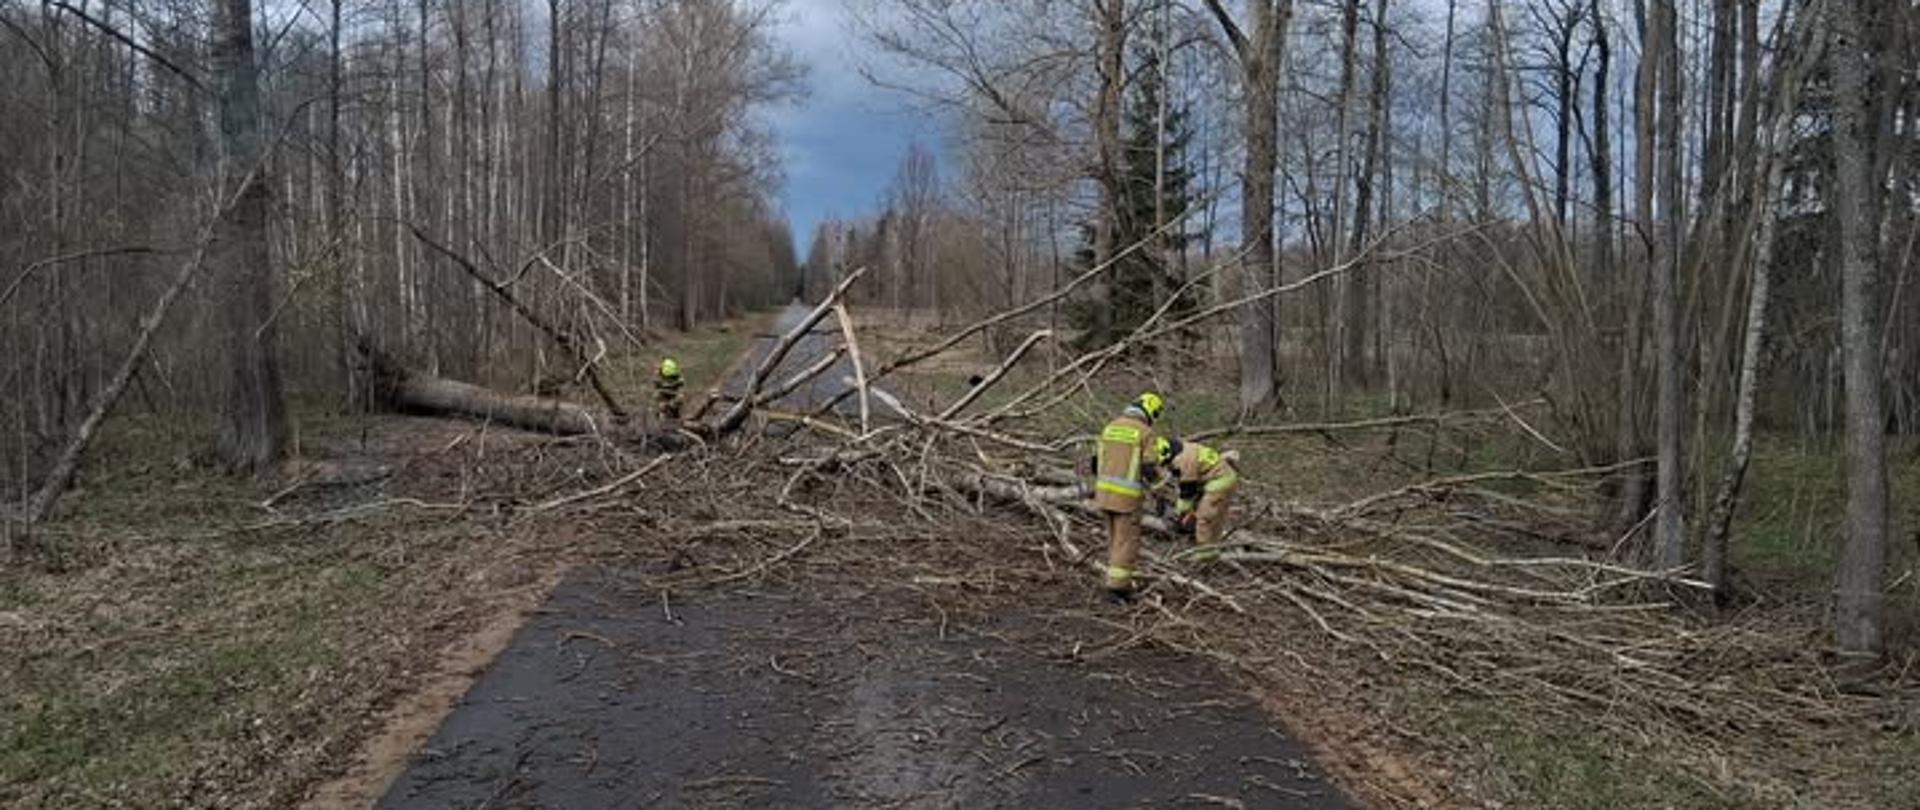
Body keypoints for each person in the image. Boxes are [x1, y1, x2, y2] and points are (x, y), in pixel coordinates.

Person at [1091, 392, 1164, 599]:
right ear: (1150, 411)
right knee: (1125, 542)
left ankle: (1113, 579)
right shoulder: (1145, 433)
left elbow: (1096, 463)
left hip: (1104, 495)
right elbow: (1150, 469)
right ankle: (1118, 588)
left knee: (1114, 540)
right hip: (1127, 500)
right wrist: (1160, 495)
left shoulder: (1110, 427)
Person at [1152, 436, 1240, 548]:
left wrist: (1180, 512)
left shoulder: (1184, 461)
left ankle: (1203, 551)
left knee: (1204, 517)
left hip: (1219, 481)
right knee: (1201, 511)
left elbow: (1187, 490)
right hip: (1210, 478)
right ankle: (1211, 542)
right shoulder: (1184, 449)